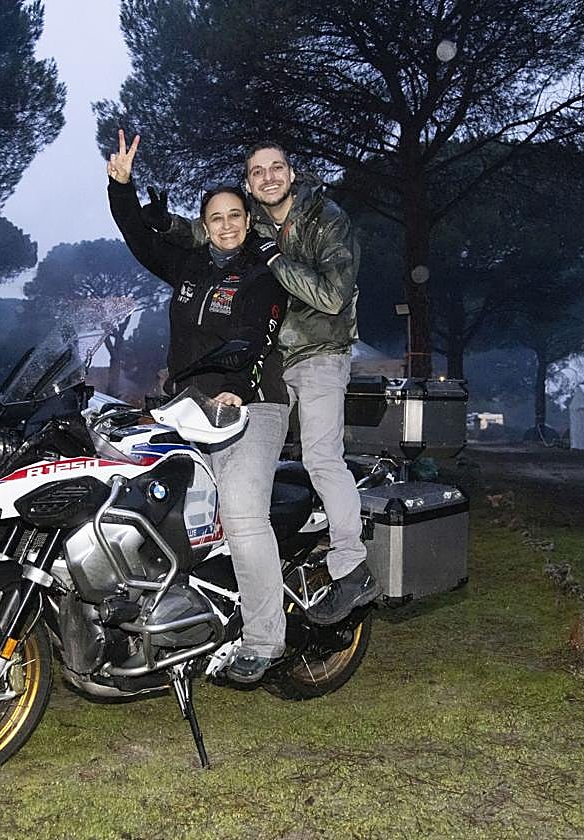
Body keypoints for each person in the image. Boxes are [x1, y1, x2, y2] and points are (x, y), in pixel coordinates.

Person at [147, 140, 380, 627]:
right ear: (250, 182)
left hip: (318, 353)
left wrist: (273, 259)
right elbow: (206, 230)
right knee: (241, 466)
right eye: (257, 171)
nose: (268, 177)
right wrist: (164, 223)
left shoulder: (326, 219)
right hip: (272, 360)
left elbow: (331, 297)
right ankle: (246, 572)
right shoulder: (252, 219)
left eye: (276, 168)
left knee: (321, 457)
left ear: (291, 174)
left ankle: (351, 567)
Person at [107, 130, 289, 683]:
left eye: (235, 215)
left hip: (253, 404)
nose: (227, 225)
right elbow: (139, 239)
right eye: (216, 218)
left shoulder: (264, 273)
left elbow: (259, 337)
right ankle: (181, 628)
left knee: (241, 513)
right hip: (187, 409)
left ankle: (264, 640)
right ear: (205, 225)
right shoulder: (188, 267)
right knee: (168, 514)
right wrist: (121, 188)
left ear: (248, 221)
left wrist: (238, 388)